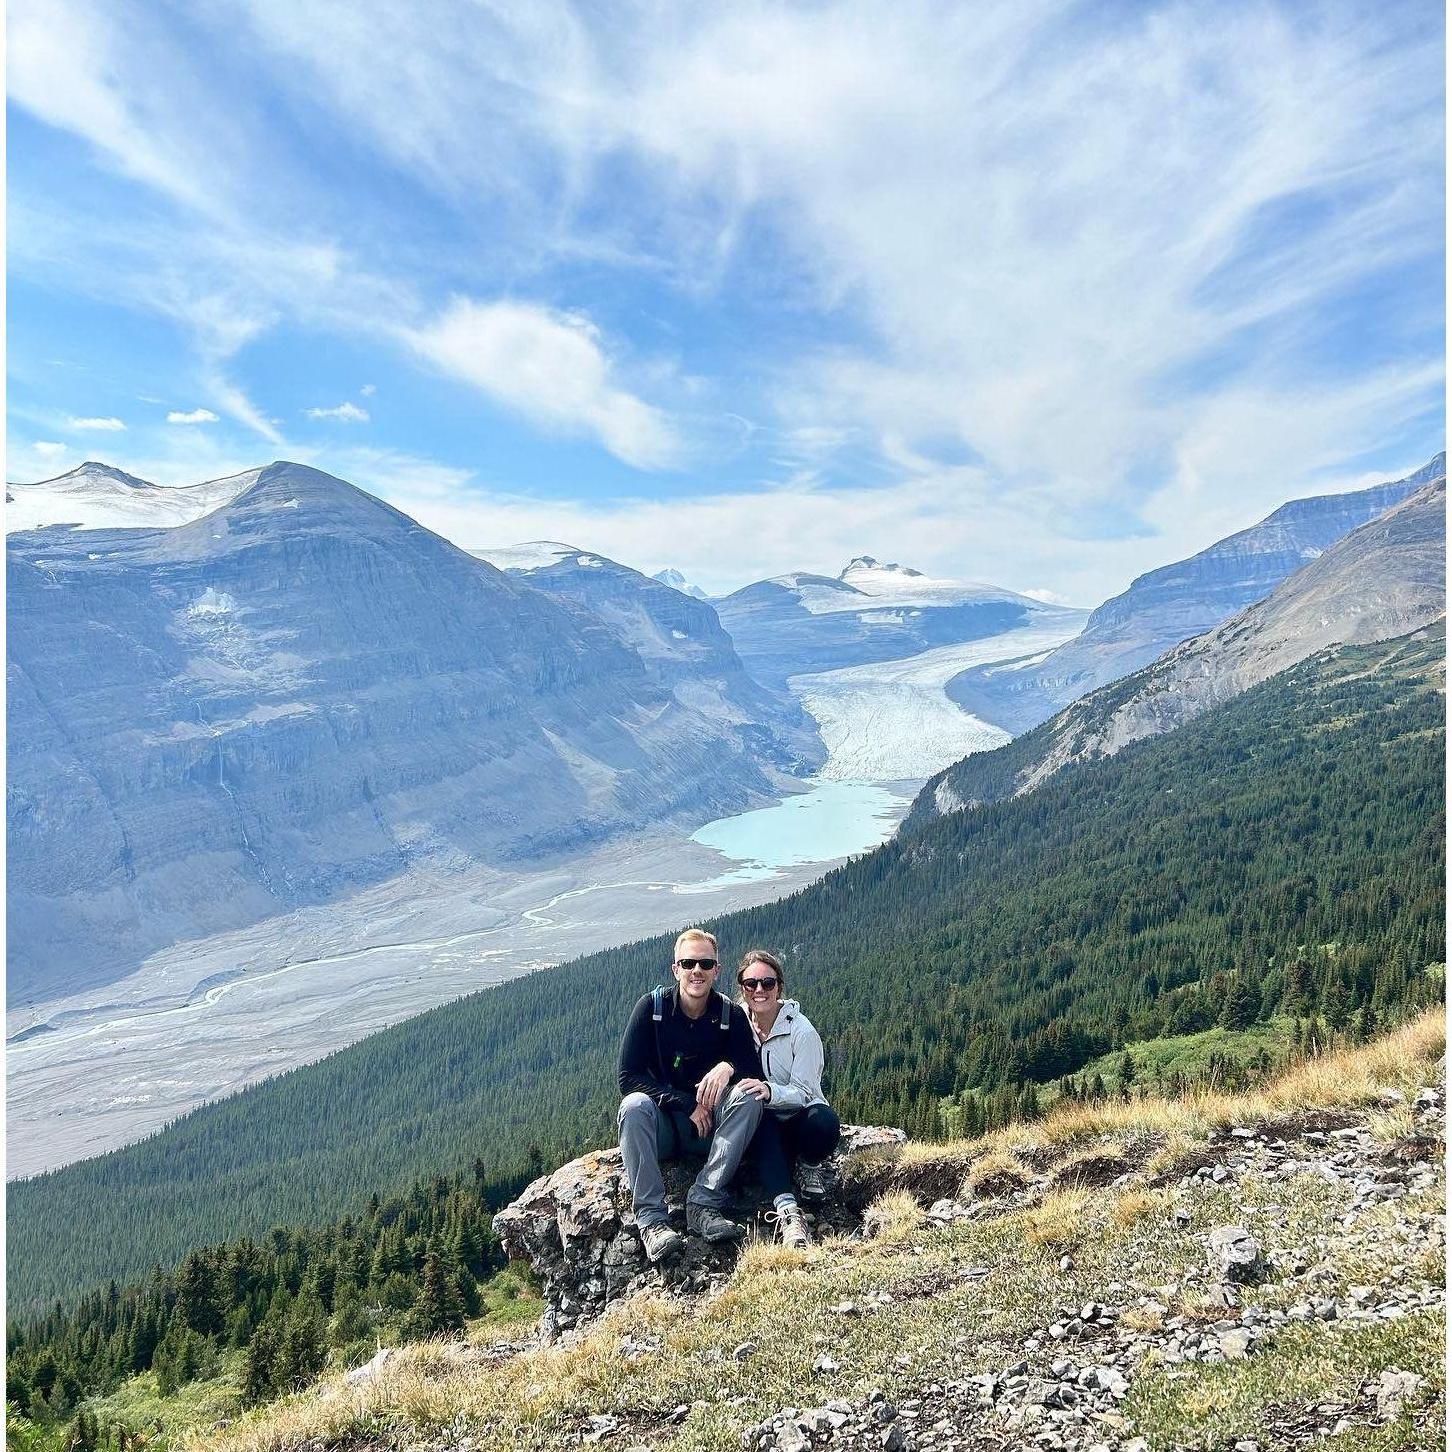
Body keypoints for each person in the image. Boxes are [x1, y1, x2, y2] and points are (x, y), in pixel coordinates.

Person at [617, 928, 767, 1263]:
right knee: (633, 1106)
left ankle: (703, 1202)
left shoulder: (730, 1015)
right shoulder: (651, 1010)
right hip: (667, 1127)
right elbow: (629, 1077)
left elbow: (752, 1070)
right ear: (676, 969)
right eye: (688, 963)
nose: (696, 970)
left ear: (717, 969)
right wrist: (686, 1104)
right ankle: (653, 1222)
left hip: (712, 1129)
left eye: (704, 963)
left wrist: (728, 1067)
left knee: (750, 1096)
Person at [735, 949, 842, 1211]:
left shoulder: (801, 1031)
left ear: (779, 987)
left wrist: (771, 1092)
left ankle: (809, 1164)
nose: (759, 989)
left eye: (767, 983)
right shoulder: (737, 1024)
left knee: (824, 1122)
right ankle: (787, 1207)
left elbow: (806, 1092)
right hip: (759, 1119)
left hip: (796, 1117)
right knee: (761, 1124)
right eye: (751, 983)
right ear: (743, 988)